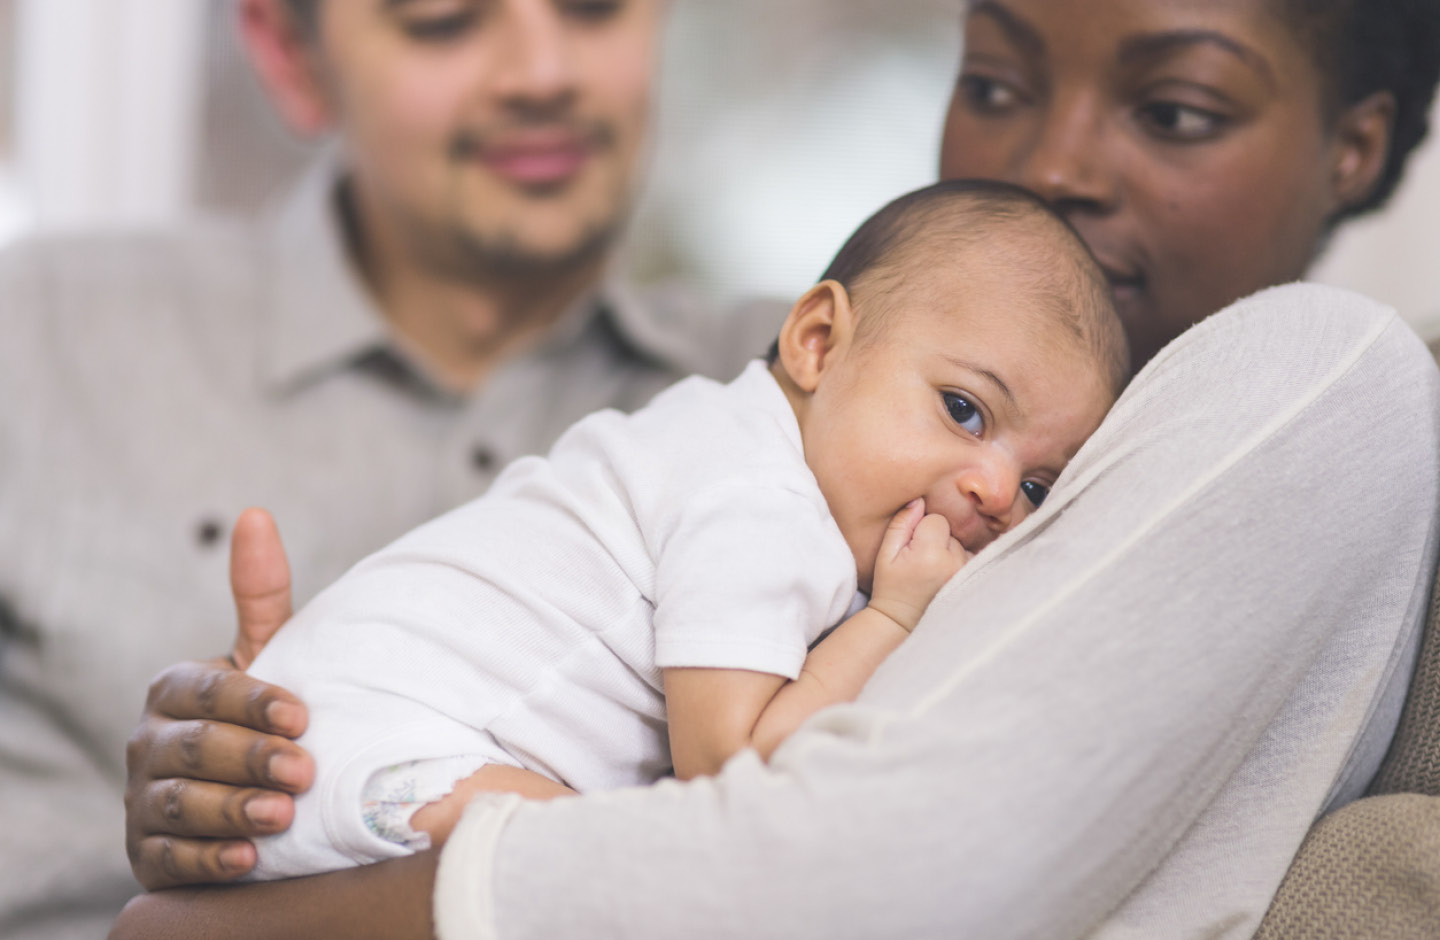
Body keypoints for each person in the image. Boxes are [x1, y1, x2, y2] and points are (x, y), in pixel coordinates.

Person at [115, 0, 1440, 936]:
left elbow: (812, 865)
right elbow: (738, 793)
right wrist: (267, 752)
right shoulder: (786, 450)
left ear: (1358, 144)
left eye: (1177, 107)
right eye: (991, 80)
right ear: (817, 336)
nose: (1054, 166)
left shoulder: (1322, 387)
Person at [0, 0, 784, 937]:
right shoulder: (36, 339)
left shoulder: (825, 400)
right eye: (442, 21)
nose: (543, 73)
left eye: (593, 8)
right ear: (292, 55)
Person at [234, 181, 1125, 880]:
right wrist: (891, 621)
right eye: (965, 410)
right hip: (371, 762)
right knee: (592, 867)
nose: (995, 488)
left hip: (321, 743)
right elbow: (732, 775)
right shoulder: (760, 500)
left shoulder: (727, 439)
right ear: (817, 342)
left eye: (1041, 487)